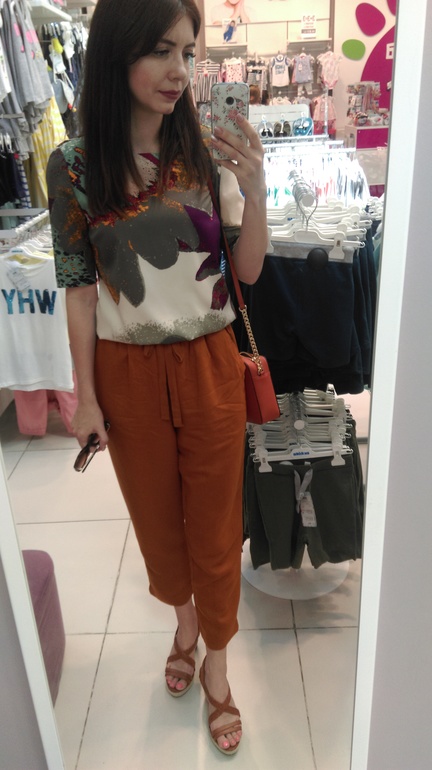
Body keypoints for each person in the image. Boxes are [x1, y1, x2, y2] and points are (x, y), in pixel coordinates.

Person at [46, 0, 267, 757]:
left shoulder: (206, 151)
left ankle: (218, 666)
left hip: (208, 361)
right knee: (156, 521)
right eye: (162, 51)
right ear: (119, 53)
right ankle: (184, 627)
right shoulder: (74, 165)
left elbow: (246, 272)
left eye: (189, 52)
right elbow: (79, 288)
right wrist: (85, 397)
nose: (181, 70)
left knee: (216, 525)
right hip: (127, 370)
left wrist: (256, 190)